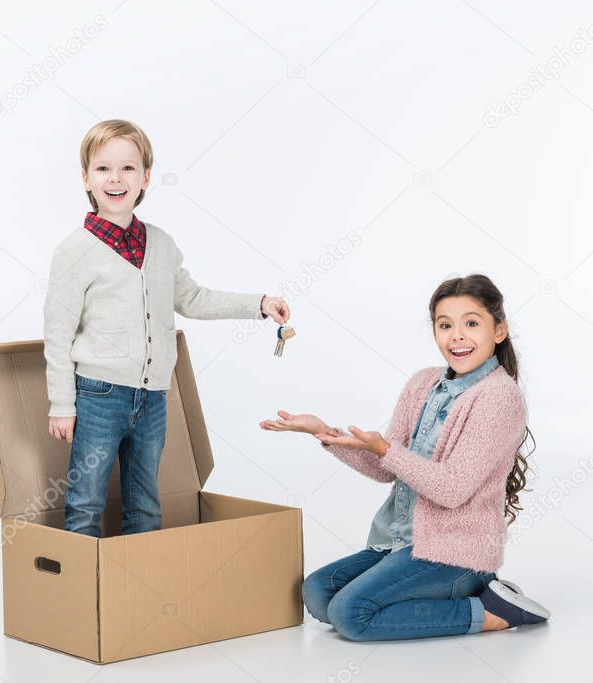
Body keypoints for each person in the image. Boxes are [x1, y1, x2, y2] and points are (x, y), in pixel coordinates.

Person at [259, 274, 549, 639]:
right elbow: (386, 469)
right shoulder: (423, 383)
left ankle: (493, 611)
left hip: (455, 555)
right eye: (445, 325)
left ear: (499, 331)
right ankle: (453, 598)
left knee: (350, 615)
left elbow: (452, 489)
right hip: (402, 543)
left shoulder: (499, 398)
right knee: (318, 593)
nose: (457, 335)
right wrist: (325, 432)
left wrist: (385, 448)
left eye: (471, 323)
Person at [45, 119, 289, 537]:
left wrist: (259, 305)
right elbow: (58, 333)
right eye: (104, 169)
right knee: (86, 501)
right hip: (99, 394)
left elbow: (193, 298)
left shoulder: (160, 244)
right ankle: (83, 597)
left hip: (154, 397)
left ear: (146, 178)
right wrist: (62, 404)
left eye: (128, 168)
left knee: (145, 504)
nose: (116, 179)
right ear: (86, 177)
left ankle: (138, 589)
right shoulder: (74, 251)